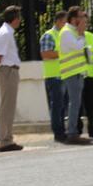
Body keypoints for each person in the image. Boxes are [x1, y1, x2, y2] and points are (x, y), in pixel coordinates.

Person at [0, 5, 24, 152]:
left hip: (9, 71)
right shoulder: (5, 33)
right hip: (7, 71)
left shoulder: (6, 32)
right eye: (19, 17)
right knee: (6, 107)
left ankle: (7, 138)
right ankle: (5, 140)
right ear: (15, 19)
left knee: (8, 106)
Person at [59, 6, 91, 145]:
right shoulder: (67, 32)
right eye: (80, 16)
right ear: (74, 19)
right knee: (74, 104)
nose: (83, 19)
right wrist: (81, 33)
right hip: (71, 73)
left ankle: (73, 131)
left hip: (77, 73)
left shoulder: (72, 32)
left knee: (76, 104)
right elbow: (78, 46)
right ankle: (71, 133)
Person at [40, 10, 69, 143]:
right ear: (57, 21)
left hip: (64, 74)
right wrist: (63, 53)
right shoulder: (49, 35)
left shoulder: (65, 34)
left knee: (63, 106)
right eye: (64, 22)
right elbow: (46, 54)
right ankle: (58, 132)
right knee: (57, 106)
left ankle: (62, 130)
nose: (66, 24)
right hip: (54, 76)